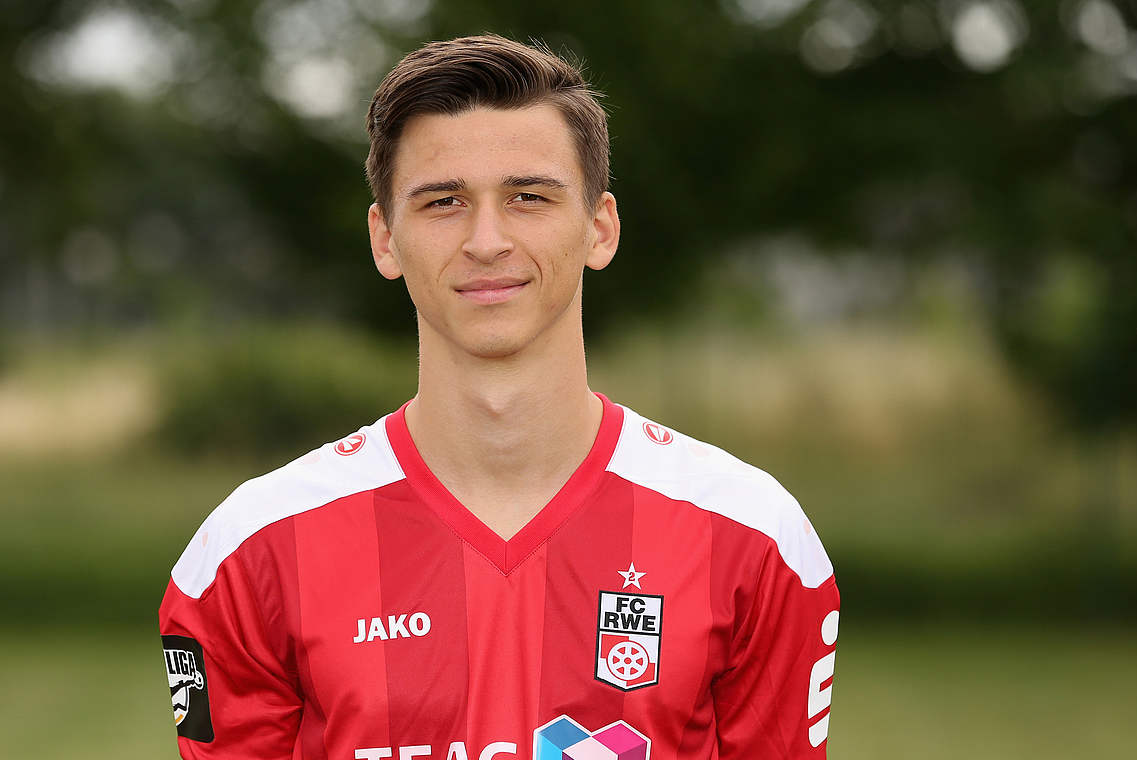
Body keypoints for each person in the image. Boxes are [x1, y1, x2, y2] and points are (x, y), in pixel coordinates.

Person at [159, 34, 839, 760]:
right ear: (385, 239)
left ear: (599, 227)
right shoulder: (248, 553)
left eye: (528, 197)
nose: (487, 240)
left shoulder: (755, 539)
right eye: (443, 202)